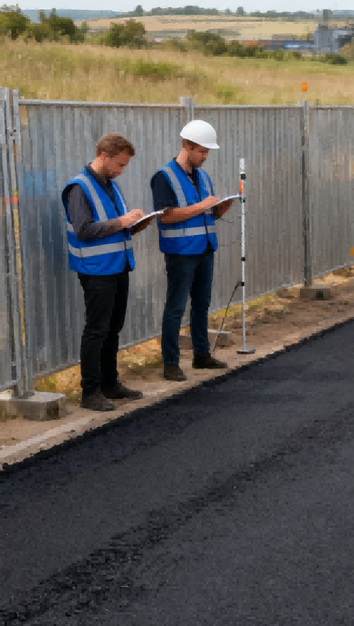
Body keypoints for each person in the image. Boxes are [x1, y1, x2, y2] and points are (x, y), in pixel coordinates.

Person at [62, 134, 152, 412]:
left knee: (113, 328)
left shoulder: (110, 185)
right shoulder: (79, 188)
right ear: (103, 155)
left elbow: (112, 226)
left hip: (118, 265)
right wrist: (122, 221)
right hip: (96, 270)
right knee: (97, 330)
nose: (122, 170)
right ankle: (90, 391)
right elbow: (84, 230)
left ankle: (110, 383)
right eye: (120, 164)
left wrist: (135, 225)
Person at [151, 119, 234, 381]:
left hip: (205, 248)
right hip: (180, 252)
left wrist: (220, 209)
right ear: (186, 146)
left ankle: (202, 354)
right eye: (202, 151)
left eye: (207, 151)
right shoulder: (163, 177)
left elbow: (208, 213)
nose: (205, 156)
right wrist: (202, 206)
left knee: (201, 303)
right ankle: (171, 363)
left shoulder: (203, 176)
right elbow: (166, 216)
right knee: (176, 306)